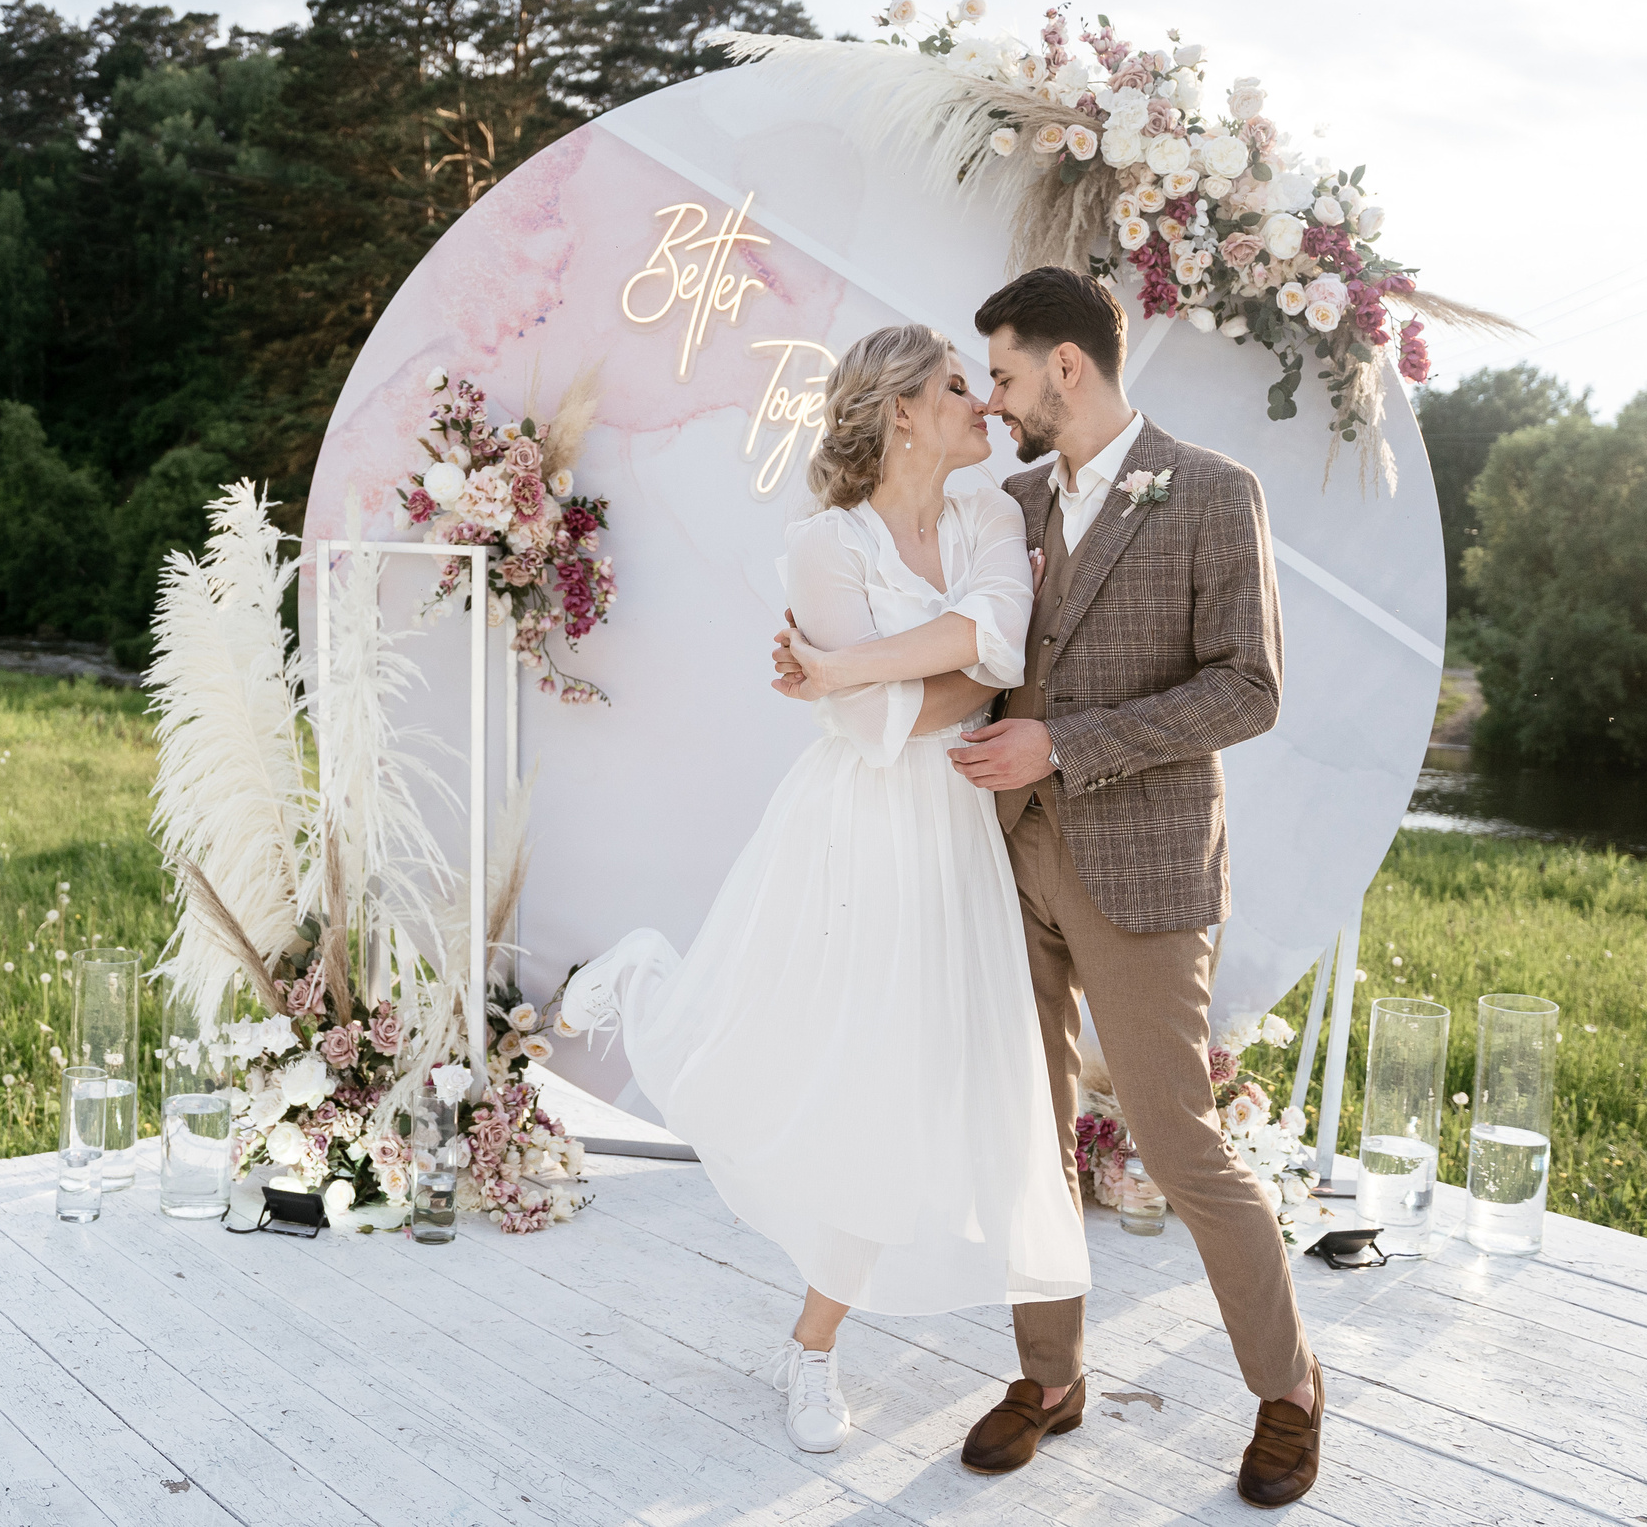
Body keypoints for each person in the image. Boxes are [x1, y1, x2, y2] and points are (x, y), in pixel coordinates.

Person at [770, 267, 1322, 1507]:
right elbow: (972, 646)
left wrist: (1065, 745)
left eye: (1006, 375)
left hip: (1142, 875)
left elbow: (1250, 689)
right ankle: (1051, 1376)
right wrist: (837, 673)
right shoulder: (1005, 503)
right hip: (1000, 865)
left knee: (1179, 1143)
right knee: (1025, 1135)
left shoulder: (1213, 491)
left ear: (1065, 366)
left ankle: (1287, 1390)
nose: (997, 401)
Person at [555, 322, 1091, 1457]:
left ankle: (813, 1337)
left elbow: (999, 644)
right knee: (829, 1076)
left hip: (954, 834)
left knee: (914, 1087)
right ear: (901, 411)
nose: (983, 407)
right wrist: (890, 681)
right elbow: (876, 722)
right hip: (852, 833)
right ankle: (810, 1349)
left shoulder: (989, 512)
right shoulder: (821, 542)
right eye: (959, 388)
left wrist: (853, 665)